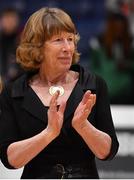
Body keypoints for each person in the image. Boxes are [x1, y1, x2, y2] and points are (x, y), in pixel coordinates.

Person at [0, 7, 119, 179]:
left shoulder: (93, 84)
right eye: (58, 40)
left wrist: (83, 127)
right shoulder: (14, 92)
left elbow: (108, 152)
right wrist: (48, 133)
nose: (67, 47)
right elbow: (10, 160)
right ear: (37, 46)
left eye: (70, 39)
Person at [89, 12, 134, 104]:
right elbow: (94, 68)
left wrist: (127, 65)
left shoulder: (131, 43)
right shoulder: (97, 43)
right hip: (107, 90)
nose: (119, 31)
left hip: (127, 93)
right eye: (116, 28)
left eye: (122, 28)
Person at [0, 7, 23, 84]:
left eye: (12, 18)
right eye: (6, 18)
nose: (9, 22)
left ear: (17, 20)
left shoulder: (23, 40)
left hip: (18, 81)